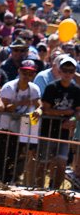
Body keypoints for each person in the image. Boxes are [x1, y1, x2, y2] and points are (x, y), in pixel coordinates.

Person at [0, 59, 41, 184]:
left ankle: (8, 182)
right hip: (3, 126)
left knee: (15, 156)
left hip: (20, 127)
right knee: (1, 156)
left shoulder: (34, 88)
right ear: (19, 72)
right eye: (24, 73)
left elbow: (39, 105)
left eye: (30, 74)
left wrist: (38, 111)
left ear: (34, 75)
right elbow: (4, 107)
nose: (27, 76)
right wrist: (20, 103)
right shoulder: (9, 86)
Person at [38, 56, 80, 188]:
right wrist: (68, 113)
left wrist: (73, 119)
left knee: (61, 164)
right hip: (48, 130)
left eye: (71, 71)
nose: (67, 73)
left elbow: (78, 111)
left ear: (74, 72)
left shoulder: (76, 90)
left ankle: (55, 191)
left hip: (64, 133)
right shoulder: (52, 87)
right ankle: (38, 190)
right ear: (60, 71)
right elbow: (46, 109)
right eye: (65, 70)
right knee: (42, 163)